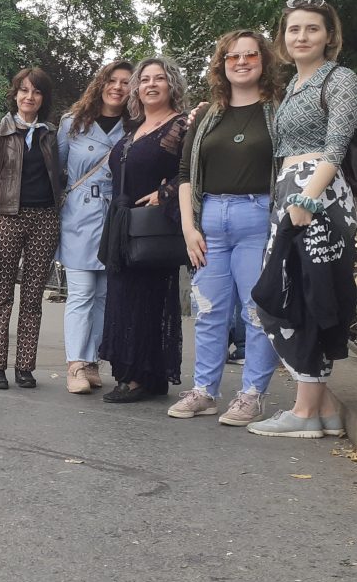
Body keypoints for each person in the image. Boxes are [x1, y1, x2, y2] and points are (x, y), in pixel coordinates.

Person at [248, 0, 357, 438]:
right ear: (283, 38)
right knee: (283, 294)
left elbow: (336, 147)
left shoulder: (340, 79)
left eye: (312, 29)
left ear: (328, 36)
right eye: (294, 30)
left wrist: (308, 200)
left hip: (318, 195)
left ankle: (304, 414)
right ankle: (326, 408)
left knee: (307, 296)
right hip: (290, 191)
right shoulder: (292, 86)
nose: (301, 37)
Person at [170, 31, 283, 425]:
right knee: (209, 310)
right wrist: (188, 228)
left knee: (257, 311)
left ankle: (252, 394)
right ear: (222, 64)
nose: (241, 61)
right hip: (210, 220)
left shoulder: (278, 110)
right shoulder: (205, 115)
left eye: (251, 55)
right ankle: (205, 391)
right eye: (233, 56)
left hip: (259, 217)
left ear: (263, 61)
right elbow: (185, 174)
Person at [99, 56, 189, 403]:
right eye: (145, 79)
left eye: (159, 78)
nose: (151, 84)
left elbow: (191, 171)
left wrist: (165, 193)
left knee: (148, 297)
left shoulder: (180, 125)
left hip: (154, 225)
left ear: (171, 85)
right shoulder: (133, 127)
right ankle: (139, 373)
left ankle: (140, 376)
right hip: (124, 224)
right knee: (124, 295)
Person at [0, 67, 64, 390]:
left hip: (44, 220)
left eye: (36, 92)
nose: (29, 97)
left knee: (33, 297)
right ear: (15, 94)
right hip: (7, 218)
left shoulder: (51, 134)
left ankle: (25, 366)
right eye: (23, 90)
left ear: (43, 98)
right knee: (1, 294)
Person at [56, 59, 133, 394]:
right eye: (111, 80)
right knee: (82, 292)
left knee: (104, 294)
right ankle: (75, 363)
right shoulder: (72, 123)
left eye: (126, 82)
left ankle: (91, 361)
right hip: (79, 215)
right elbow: (57, 170)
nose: (117, 87)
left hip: (116, 216)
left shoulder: (136, 126)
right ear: (100, 84)